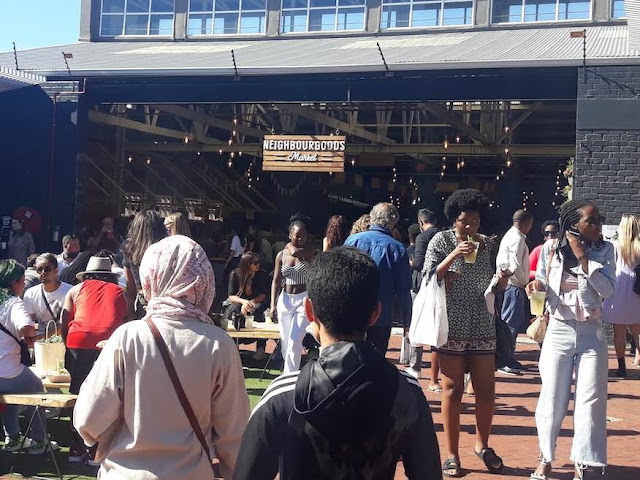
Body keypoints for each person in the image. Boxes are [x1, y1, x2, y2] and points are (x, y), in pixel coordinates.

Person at [233, 247, 442, 480]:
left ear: (309, 311)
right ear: (375, 313)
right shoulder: (406, 389)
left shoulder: (285, 393)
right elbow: (428, 473)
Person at [73, 235, 249, 479]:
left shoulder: (128, 337)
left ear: (151, 276)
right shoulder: (219, 345)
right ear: (204, 280)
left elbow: (88, 419)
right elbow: (234, 436)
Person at [529, 200, 614, 480]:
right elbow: (540, 279)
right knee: (552, 397)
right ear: (573, 224)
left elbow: (607, 290)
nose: (598, 224)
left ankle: (584, 461)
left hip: (592, 333)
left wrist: (583, 260)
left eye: (599, 219)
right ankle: (546, 457)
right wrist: (537, 286)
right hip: (559, 329)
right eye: (592, 220)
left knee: (590, 400)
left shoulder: (606, 250)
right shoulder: (551, 249)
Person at [422, 189, 503, 477]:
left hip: (481, 319)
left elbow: (494, 286)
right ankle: (452, 454)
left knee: (486, 390)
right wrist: (454, 254)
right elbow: (428, 277)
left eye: (475, 222)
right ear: (453, 220)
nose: (470, 228)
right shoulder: (440, 240)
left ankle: (482, 445)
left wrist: (502, 279)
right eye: (464, 222)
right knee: (453, 389)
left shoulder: (488, 245)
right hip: (452, 320)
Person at [61, 253, 128, 464]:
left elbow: (64, 322)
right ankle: (96, 447)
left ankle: (75, 445)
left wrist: (69, 346)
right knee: (106, 394)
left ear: (87, 274)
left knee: (78, 392)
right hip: (108, 343)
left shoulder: (74, 290)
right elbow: (128, 320)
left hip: (77, 342)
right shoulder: (121, 292)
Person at [0, 259, 57, 455]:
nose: (24, 285)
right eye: (23, 281)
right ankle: (39, 440)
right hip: (8, 371)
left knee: (10, 396)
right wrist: (32, 336)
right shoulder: (14, 303)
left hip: (5, 375)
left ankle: (13, 437)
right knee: (37, 389)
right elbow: (25, 326)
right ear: (14, 283)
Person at [344, 203, 412, 355]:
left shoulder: (352, 241)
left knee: (348, 358)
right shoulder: (397, 248)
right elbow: (403, 290)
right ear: (393, 223)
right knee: (376, 361)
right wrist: (407, 322)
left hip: (351, 311)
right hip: (381, 315)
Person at [271, 219, 315, 372]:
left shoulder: (309, 251)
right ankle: (289, 372)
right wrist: (273, 305)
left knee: (294, 341)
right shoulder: (281, 255)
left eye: (304, 235)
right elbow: (276, 280)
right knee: (285, 342)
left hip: (303, 298)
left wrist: (289, 245)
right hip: (285, 298)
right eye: (297, 235)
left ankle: (290, 376)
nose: (301, 238)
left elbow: (295, 252)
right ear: (290, 234)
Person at [496, 209, 534, 375]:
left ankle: (508, 357)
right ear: (526, 223)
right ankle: (505, 359)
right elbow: (515, 265)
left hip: (511, 284)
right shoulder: (517, 239)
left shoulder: (510, 236)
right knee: (511, 324)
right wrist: (525, 282)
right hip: (514, 285)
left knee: (511, 323)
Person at [602, 214, 640, 378]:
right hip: (635, 287)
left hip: (618, 285)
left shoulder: (615, 245)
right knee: (637, 330)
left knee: (618, 330)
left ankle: (621, 365)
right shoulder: (638, 246)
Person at [408, 208, 441, 389]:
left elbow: (419, 263)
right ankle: (436, 375)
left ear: (421, 222)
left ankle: (416, 366)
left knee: (417, 324)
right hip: (441, 285)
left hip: (422, 286)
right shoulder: (444, 235)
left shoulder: (423, 237)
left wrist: (411, 263)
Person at [122, 210, 167, 319]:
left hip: (144, 303)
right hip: (166, 302)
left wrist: (130, 315)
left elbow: (130, 289)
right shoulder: (166, 249)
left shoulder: (130, 249)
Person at [225, 252, 270, 359]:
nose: (258, 265)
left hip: (255, 301)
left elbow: (263, 296)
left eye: (259, 262)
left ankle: (260, 348)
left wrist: (251, 303)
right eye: (255, 263)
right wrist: (244, 302)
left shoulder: (261, 275)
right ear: (247, 264)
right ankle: (234, 345)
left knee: (258, 309)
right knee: (234, 309)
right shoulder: (235, 274)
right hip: (239, 302)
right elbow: (231, 296)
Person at [22, 253, 72, 334]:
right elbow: (28, 320)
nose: (43, 273)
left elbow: (69, 323)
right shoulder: (30, 293)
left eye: (48, 269)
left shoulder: (70, 291)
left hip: (65, 335)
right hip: (40, 338)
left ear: (56, 271)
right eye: (39, 270)